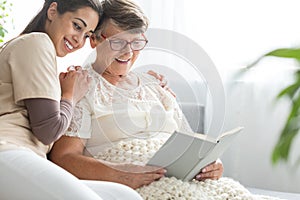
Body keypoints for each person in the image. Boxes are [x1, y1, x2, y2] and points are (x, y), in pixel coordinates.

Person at [48, 0, 223, 191]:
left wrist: (210, 164)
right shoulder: (80, 85)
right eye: (118, 42)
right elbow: (63, 158)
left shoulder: (155, 85)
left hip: (184, 183)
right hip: (130, 188)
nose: (128, 52)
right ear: (94, 40)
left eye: (137, 42)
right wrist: (119, 174)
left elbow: (191, 144)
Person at [0, 0, 143, 199]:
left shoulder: (40, 51)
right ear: (52, 11)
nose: (79, 40)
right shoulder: (36, 42)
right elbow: (48, 131)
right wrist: (71, 95)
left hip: (30, 156)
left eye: (86, 35)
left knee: (125, 196)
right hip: (8, 149)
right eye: (77, 26)